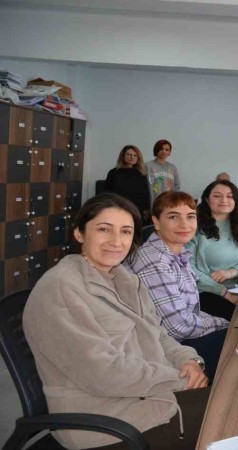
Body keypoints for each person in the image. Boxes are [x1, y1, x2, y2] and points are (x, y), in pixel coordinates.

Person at [22, 193, 208, 450]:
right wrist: (178, 379)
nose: (116, 241)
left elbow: (158, 333)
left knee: (234, 403)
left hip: (149, 398)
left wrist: (188, 361)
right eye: (104, 229)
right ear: (79, 233)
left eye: (126, 231)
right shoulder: (61, 288)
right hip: (105, 424)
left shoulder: (125, 279)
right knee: (233, 419)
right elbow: (100, 371)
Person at [127, 191, 229, 383]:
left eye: (190, 217)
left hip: (178, 340)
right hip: (166, 350)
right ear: (156, 222)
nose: (184, 224)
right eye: (173, 217)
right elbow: (178, 327)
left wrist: (222, 323)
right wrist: (225, 324)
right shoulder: (155, 261)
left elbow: (190, 312)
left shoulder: (177, 253)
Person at [186, 180, 238, 321]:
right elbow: (189, 270)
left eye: (230, 196)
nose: (224, 200)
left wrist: (231, 272)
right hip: (207, 292)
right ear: (206, 199)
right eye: (217, 196)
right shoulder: (194, 228)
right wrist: (223, 292)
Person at [104, 145, 151, 219]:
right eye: (129, 154)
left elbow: (145, 193)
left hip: (137, 209)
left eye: (135, 155)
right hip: (118, 208)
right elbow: (107, 193)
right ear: (123, 156)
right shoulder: (113, 173)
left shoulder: (141, 173)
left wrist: (146, 209)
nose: (132, 157)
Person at [146, 139, 181, 205]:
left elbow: (177, 186)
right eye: (161, 149)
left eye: (167, 150)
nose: (164, 151)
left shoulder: (172, 167)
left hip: (169, 203)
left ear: (169, 152)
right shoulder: (147, 166)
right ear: (156, 150)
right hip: (152, 202)